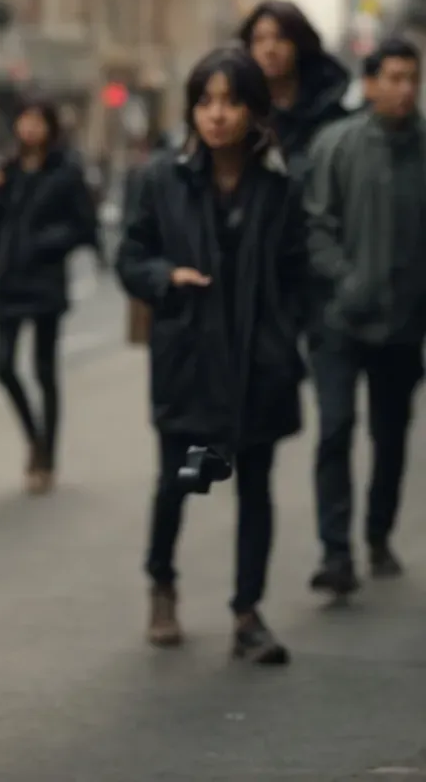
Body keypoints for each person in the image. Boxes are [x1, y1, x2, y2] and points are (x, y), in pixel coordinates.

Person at [116, 47, 306, 664]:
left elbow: (299, 270)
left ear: (254, 109)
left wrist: (285, 329)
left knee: (255, 487)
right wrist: (164, 277)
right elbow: (130, 255)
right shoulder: (163, 180)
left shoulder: (278, 188)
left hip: (259, 366)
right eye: (206, 101)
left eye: (231, 101)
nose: (218, 115)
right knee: (183, 481)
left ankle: (247, 614)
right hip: (192, 363)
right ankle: (162, 584)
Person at [302, 38, 426, 597]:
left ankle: (377, 534)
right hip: (338, 321)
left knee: (391, 436)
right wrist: (347, 282)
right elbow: (315, 224)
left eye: (412, 78)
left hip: (403, 324)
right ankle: (335, 551)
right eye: (393, 78)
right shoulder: (337, 144)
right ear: (371, 83)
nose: (404, 89)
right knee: (335, 430)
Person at [0, 101, 98, 494]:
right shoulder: (6, 171)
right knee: (3, 366)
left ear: (49, 127)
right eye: (22, 120)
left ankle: (48, 456)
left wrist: (45, 245)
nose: (28, 129)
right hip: (8, 279)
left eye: (36, 122)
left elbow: (83, 226)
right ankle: (34, 437)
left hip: (44, 279)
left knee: (45, 371)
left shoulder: (65, 172)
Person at [239, 0, 354, 175]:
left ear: (299, 44)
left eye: (281, 38)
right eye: (259, 39)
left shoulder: (330, 116)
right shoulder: (242, 115)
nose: (270, 49)